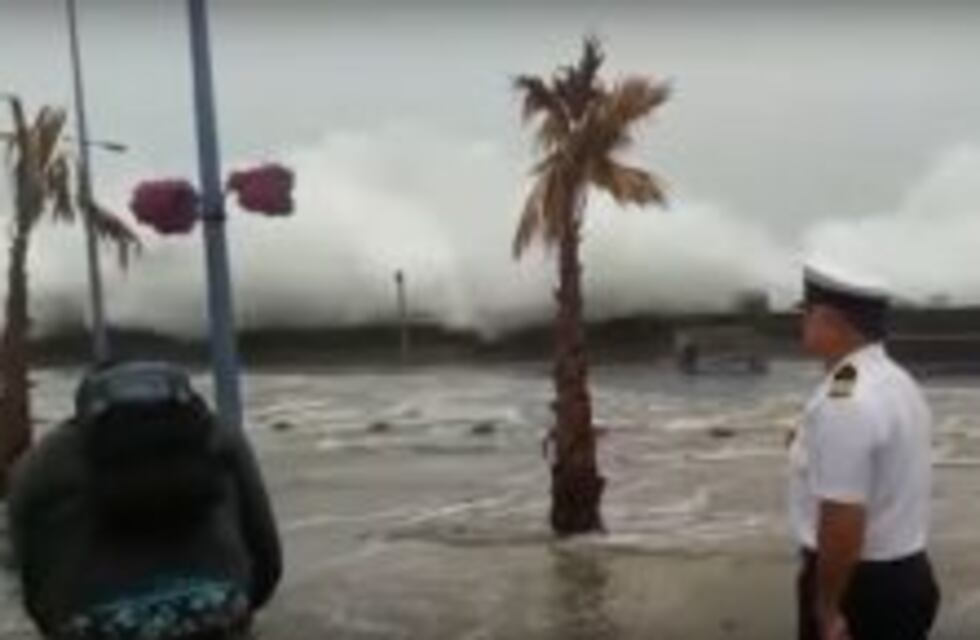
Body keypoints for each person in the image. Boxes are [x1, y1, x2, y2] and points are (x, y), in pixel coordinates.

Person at [7, 362, 282, 640]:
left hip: (95, 625)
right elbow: (266, 553)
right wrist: (241, 608)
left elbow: (30, 572)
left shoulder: (44, 460)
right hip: (216, 611)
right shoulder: (218, 436)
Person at [788, 260, 940, 640]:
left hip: (861, 589)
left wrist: (827, 609)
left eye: (806, 314)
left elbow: (842, 518)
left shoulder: (845, 401)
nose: (800, 323)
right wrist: (805, 443)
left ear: (831, 321)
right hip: (905, 572)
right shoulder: (891, 379)